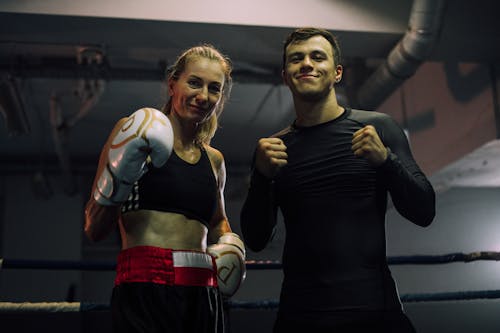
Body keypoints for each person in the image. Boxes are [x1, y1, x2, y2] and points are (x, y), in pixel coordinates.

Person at [240, 27, 436, 332]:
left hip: (374, 312)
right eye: (296, 59)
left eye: (317, 57)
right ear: (285, 75)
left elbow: (424, 212)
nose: (306, 63)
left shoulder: (378, 127)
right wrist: (262, 180)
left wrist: (387, 161)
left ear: (337, 73)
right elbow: (255, 239)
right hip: (301, 316)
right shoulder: (273, 149)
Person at [84, 44, 246, 333]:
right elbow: (94, 229)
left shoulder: (214, 160)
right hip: (145, 288)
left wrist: (231, 246)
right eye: (194, 83)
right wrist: (120, 177)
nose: (203, 96)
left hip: (203, 294)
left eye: (214, 89)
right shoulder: (133, 133)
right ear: (173, 84)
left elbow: (218, 221)